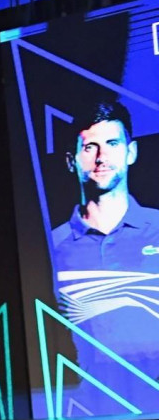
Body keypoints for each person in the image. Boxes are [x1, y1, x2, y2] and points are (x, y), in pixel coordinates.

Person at [51, 102, 159, 377]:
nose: (101, 157)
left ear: (130, 152)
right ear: (70, 161)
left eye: (112, 143)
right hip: (83, 411)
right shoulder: (49, 248)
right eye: (89, 147)